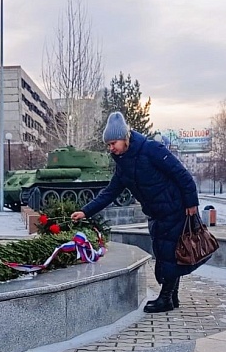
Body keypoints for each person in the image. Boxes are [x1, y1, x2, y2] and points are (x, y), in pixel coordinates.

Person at [71, 112, 205, 313]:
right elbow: (110, 192)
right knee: (167, 254)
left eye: (113, 143)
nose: (111, 148)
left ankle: (166, 299)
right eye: (108, 145)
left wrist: (191, 203)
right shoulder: (123, 165)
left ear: (124, 137)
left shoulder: (151, 149)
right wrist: (85, 211)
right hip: (157, 213)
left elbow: (182, 174)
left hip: (175, 208)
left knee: (168, 254)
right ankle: (172, 297)